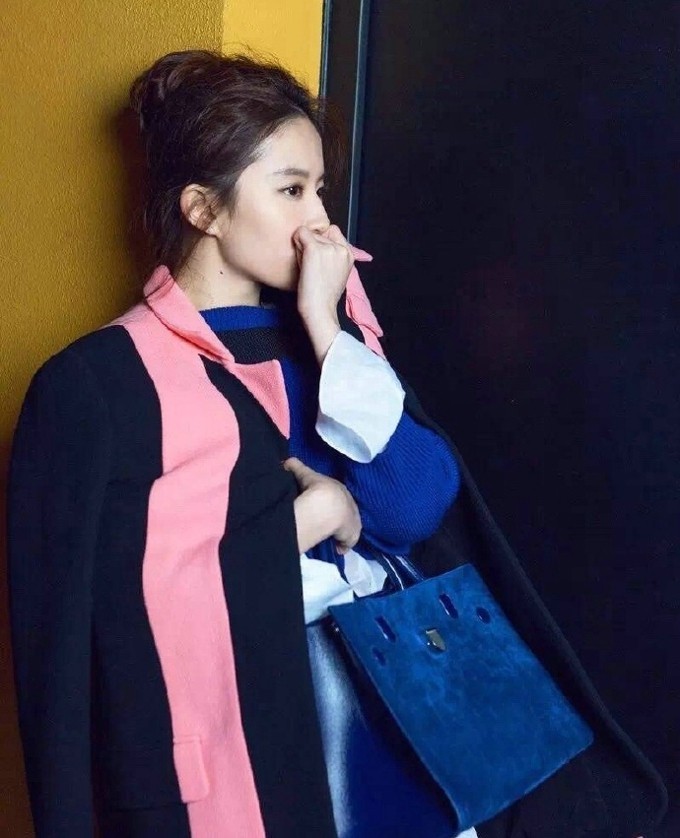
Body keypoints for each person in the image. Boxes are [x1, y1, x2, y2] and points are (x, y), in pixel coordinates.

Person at [7, 50, 666, 838]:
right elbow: (90, 636)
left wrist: (327, 329)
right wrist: (308, 522)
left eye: (320, 189)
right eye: (291, 190)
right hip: (232, 782)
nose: (320, 220)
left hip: (401, 747)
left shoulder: (332, 347)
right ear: (203, 209)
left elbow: (416, 506)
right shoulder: (99, 387)